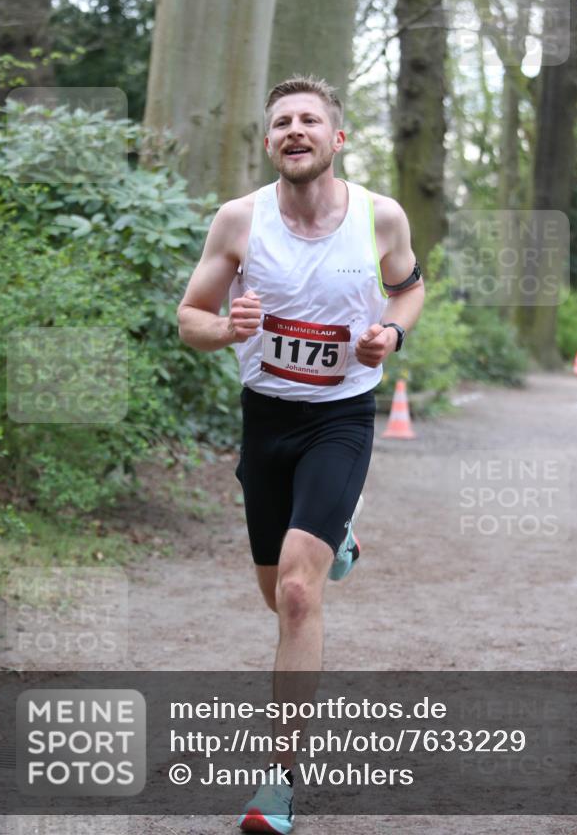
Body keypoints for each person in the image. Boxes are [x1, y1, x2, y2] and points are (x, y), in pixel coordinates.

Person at [177, 75, 425, 833]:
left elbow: (409, 287)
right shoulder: (238, 221)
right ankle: (337, 538)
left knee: (296, 594)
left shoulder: (379, 218)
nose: (294, 130)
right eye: (281, 121)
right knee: (275, 596)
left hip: (339, 420)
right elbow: (190, 316)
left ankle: (277, 782)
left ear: (335, 139)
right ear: (268, 142)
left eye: (309, 120)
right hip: (266, 424)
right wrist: (228, 328)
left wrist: (393, 332)